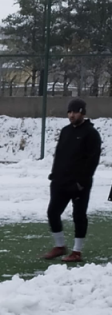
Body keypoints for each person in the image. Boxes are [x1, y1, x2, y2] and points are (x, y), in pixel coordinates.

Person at [43, 98, 102, 263]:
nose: (71, 115)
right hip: (60, 181)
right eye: (69, 112)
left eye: (75, 111)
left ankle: (77, 251)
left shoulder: (91, 133)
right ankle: (60, 246)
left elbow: (92, 161)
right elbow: (60, 155)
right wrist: (54, 175)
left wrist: (81, 183)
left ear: (82, 112)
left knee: (79, 215)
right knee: (52, 212)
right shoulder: (65, 131)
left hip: (79, 184)